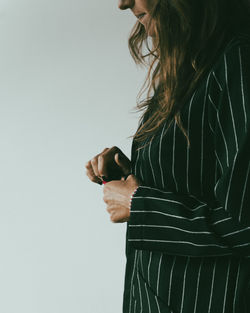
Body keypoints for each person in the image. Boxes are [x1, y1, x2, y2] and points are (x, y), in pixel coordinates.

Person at [85, 0, 250, 312]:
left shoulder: (239, 61)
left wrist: (139, 205)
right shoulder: (196, 64)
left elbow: (244, 227)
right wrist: (136, 173)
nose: (123, 3)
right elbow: (200, 181)